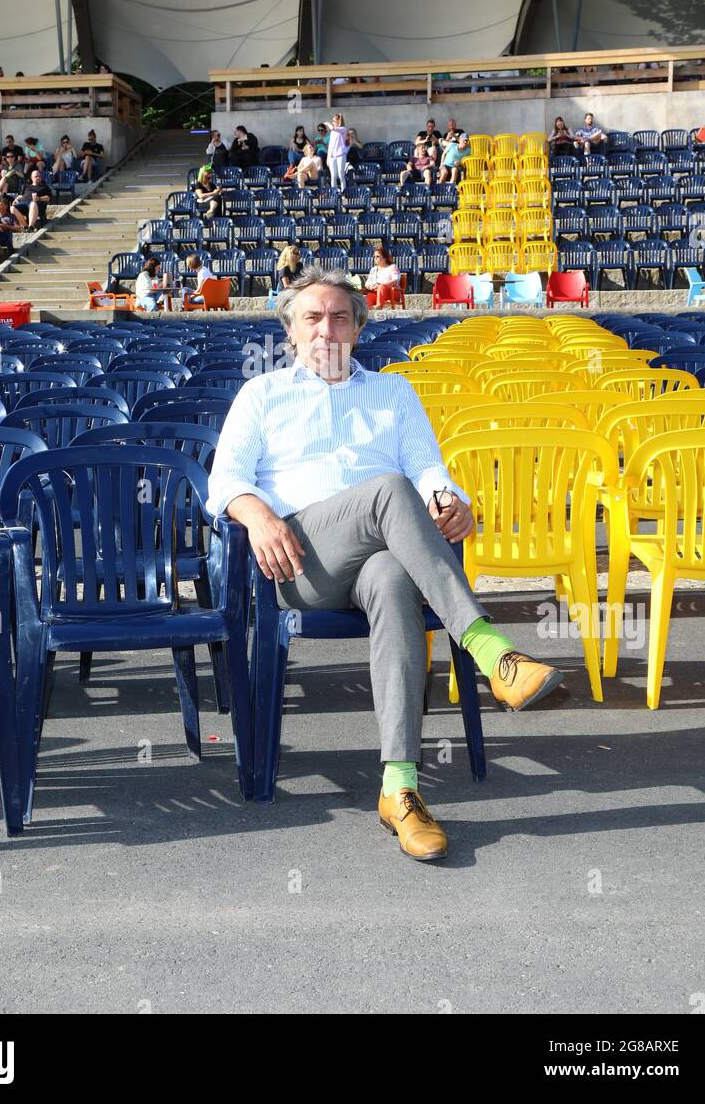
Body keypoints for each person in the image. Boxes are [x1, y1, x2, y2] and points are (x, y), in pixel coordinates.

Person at [207, 268, 562, 862]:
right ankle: (488, 648)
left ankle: (399, 788)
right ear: (290, 331)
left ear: (360, 327)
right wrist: (260, 519)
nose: (327, 329)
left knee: (396, 579)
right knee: (388, 489)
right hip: (301, 558)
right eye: (312, 318)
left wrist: (454, 504)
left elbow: (429, 472)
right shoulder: (262, 394)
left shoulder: (393, 393)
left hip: (376, 559)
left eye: (340, 317)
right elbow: (225, 484)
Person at [0, 194, 24, 262]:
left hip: (5, 236)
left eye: (1, 205)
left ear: (6, 206)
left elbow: (19, 228)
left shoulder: (10, 216)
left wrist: (4, 226)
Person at [324, 113, 349, 191]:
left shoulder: (343, 129)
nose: (333, 122)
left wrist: (328, 124)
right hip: (332, 155)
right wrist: (328, 157)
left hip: (341, 154)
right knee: (333, 176)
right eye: (332, 121)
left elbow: (333, 128)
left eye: (334, 121)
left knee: (341, 175)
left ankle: (343, 192)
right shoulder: (332, 132)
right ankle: (334, 193)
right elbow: (330, 145)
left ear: (339, 121)